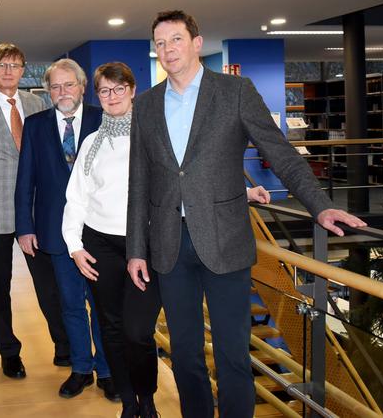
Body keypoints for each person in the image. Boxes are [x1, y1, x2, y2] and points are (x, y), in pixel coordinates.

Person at [126, 10, 367, 418]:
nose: (168, 49)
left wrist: (320, 205)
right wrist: (136, 248)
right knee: (185, 356)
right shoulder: (146, 105)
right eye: (161, 43)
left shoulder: (235, 91)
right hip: (168, 246)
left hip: (225, 243)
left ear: (197, 43)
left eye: (176, 39)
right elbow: (139, 181)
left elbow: (280, 153)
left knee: (233, 355)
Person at [61, 62, 271, 417]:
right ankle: (131, 403)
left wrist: (243, 192)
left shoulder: (154, 132)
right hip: (99, 244)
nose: (111, 97)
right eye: (104, 91)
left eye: (118, 89)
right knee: (112, 327)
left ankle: (146, 395)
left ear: (132, 91)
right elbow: (76, 197)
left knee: (138, 330)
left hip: (146, 243)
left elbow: (187, 176)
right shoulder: (91, 143)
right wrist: (75, 245)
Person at [0, 43, 70, 379]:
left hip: (36, 211)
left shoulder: (38, 104)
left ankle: (64, 345)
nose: (9, 71)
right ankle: (9, 352)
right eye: (2, 65)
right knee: (0, 286)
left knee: (48, 284)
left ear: (24, 70)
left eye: (15, 65)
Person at [15, 59, 117, 401]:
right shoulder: (35, 125)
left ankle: (107, 370)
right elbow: (25, 180)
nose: (62, 92)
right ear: (48, 91)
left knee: (101, 305)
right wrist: (24, 228)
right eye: (55, 87)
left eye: (68, 85)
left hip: (100, 230)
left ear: (82, 86)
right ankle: (80, 369)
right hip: (55, 233)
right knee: (71, 305)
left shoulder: (104, 118)